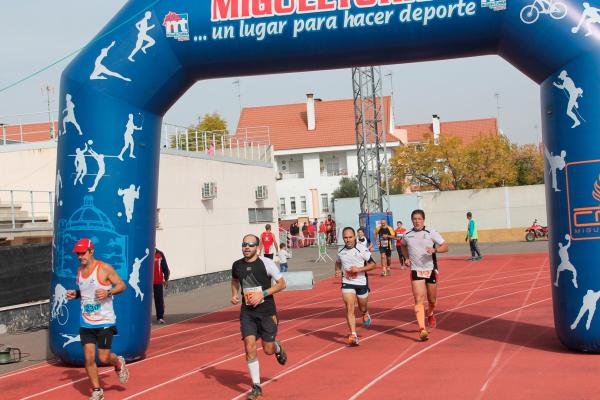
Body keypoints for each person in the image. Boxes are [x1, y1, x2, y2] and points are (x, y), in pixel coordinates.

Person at [65, 238, 129, 400]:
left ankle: (118, 362)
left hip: (105, 321)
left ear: (91, 251)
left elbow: (122, 285)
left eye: (83, 253)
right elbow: (87, 292)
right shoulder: (80, 271)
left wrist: (108, 292)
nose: (80, 256)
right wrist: (76, 294)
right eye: (78, 254)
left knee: (103, 357)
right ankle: (97, 390)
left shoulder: (104, 268)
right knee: (88, 357)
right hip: (86, 321)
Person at [231, 234, 288, 400]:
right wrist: (234, 294)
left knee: (268, 349)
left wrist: (262, 293)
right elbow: (234, 281)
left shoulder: (267, 263)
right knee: (249, 346)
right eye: (244, 244)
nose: (246, 247)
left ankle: (277, 347)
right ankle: (256, 386)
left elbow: (282, 284)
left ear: (257, 247)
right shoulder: (237, 265)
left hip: (266, 311)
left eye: (250, 245)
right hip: (247, 312)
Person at [401, 210, 448, 341]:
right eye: (414, 219)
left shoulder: (431, 232)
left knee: (432, 300)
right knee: (419, 299)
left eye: (419, 219)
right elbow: (402, 245)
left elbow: (445, 246)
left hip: (431, 269)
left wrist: (435, 249)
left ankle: (431, 313)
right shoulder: (407, 234)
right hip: (416, 269)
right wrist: (406, 258)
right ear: (411, 220)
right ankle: (422, 329)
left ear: (423, 220)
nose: (417, 221)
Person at [335, 227, 377, 346]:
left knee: (362, 307)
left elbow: (373, 265)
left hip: (361, 282)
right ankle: (353, 334)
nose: (348, 240)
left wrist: (358, 269)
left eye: (350, 237)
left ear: (354, 237)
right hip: (347, 282)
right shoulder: (340, 250)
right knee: (349, 307)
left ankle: (365, 313)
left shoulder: (362, 249)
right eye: (345, 237)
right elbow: (338, 262)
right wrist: (338, 271)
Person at [153, 248, 171, 324]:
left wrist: (166, 279)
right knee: (146, 301)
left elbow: (165, 268)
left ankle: (160, 317)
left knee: (159, 299)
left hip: (158, 281)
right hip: (147, 283)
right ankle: (145, 318)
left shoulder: (160, 254)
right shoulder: (146, 253)